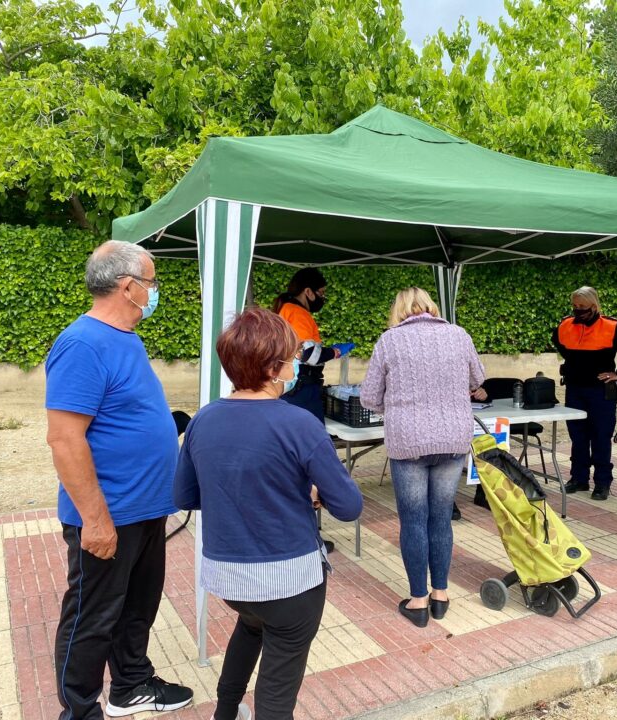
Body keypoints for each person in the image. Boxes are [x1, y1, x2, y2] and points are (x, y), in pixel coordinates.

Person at [173, 308, 363, 720]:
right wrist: (303, 491)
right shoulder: (299, 423)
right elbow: (349, 506)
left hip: (229, 576)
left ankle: (225, 711)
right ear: (275, 367)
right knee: (278, 689)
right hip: (289, 579)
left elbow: (185, 494)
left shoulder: (204, 420)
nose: (296, 366)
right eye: (293, 359)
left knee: (251, 626)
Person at [45, 241, 193, 719]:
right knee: (93, 618)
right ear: (128, 286)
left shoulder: (124, 337)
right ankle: (79, 710)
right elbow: (66, 439)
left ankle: (130, 685)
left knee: (137, 609)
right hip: (110, 515)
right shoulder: (82, 344)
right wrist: (95, 520)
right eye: (151, 282)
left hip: (146, 509)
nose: (154, 292)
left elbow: (119, 413)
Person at [360, 287, 485, 627]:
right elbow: (478, 380)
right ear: (431, 306)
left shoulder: (389, 341)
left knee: (414, 520)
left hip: (409, 441)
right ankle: (441, 594)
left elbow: (369, 397)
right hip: (452, 438)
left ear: (399, 310)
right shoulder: (459, 335)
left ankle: (418, 601)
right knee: (441, 517)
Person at [553, 286, 617, 500]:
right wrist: (574, 365)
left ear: (594, 306)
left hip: (602, 391)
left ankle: (602, 483)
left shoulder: (611, 327)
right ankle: (579, 479)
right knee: (578, 436)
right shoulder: (565, 325)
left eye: (582, 307)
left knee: (601, 436)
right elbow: (558, 342)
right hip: (574, 389)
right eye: (575, 306)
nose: (578, 310)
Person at [272, 267, 354, 422]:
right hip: (302, 389)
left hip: (289, 387)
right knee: (311, 438)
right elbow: (308, 354)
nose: (322, 297)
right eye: (321, 293)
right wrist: (334, 351)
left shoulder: (284, 309)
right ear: (308, 292)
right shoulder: (297, 313)